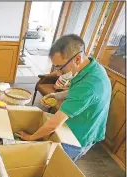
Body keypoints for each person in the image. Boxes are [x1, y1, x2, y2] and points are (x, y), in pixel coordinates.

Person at [16, 34, 112, 162]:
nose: (57, 72)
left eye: (59, 67)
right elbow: (76, 92)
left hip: (79, 136)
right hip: (75, 123)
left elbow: (54, 124)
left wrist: (31, 138)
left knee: (56, 164)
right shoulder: (90, 66)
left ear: (77, 59)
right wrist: (57, 95)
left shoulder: (90, 85)